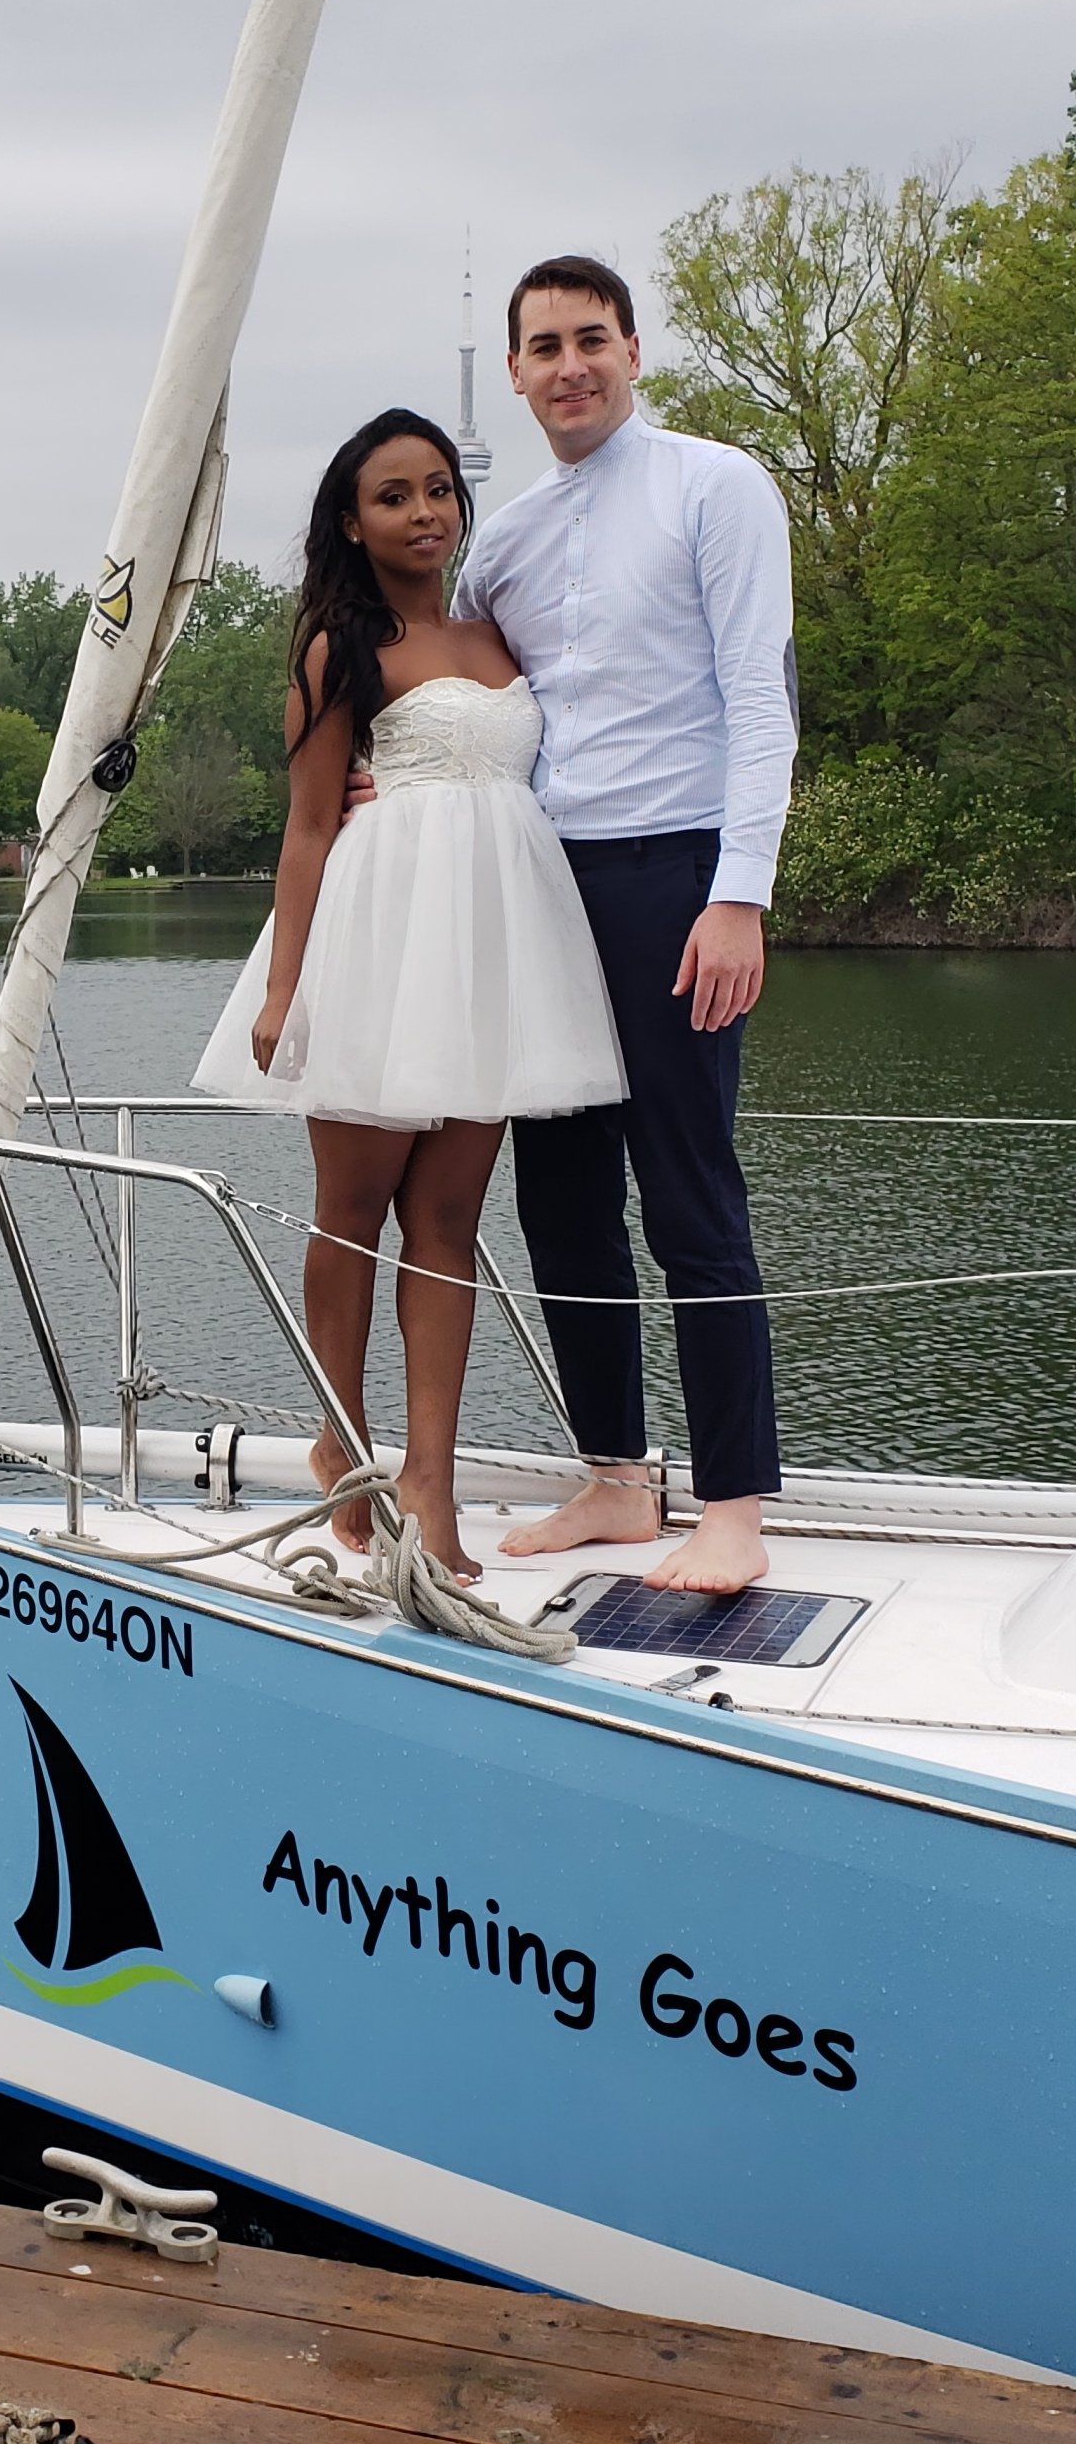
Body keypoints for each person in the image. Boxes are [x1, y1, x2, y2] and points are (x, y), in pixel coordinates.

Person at [193, 408, 626, 1580]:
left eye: (438, 488)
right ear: (353, 518)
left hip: (492, 949)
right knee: (353, 1212)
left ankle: (429, 1485)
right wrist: (285, 986)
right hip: (378, 938)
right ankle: (346, 1435)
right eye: (395, 494)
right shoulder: (340, 646)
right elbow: (310, 824)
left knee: (446, 1226)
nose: (425, 510)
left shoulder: (500, 637)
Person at [423, 254, 795, 1594]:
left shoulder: (717, 486)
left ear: (633, 350)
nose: (569, 364)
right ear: (515, 372)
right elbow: (461, 700)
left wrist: (738, 892)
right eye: (544, 346)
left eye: (592, 338)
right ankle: (617, 1483)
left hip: (677, 875)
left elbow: (763, 702)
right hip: (543, 880)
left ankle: (736, 1503)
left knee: (690, 1191)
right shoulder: (504, 541)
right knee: (562, 1195)